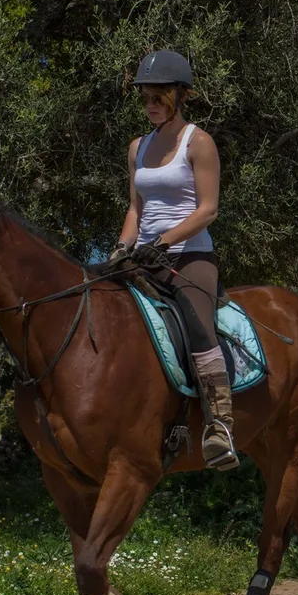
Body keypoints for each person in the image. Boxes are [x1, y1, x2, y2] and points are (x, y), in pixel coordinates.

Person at [107, 49, 237, 471]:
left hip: (189, 256)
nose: (150, 104)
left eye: (157, 96)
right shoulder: (137, 148)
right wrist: (122, 248)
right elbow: (135, 209)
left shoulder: (198, 142)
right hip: (143, 255)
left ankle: (220, 426)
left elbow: (208, 210)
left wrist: (161, 243)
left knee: (199, 330)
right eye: (145, 96)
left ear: (179, 95)